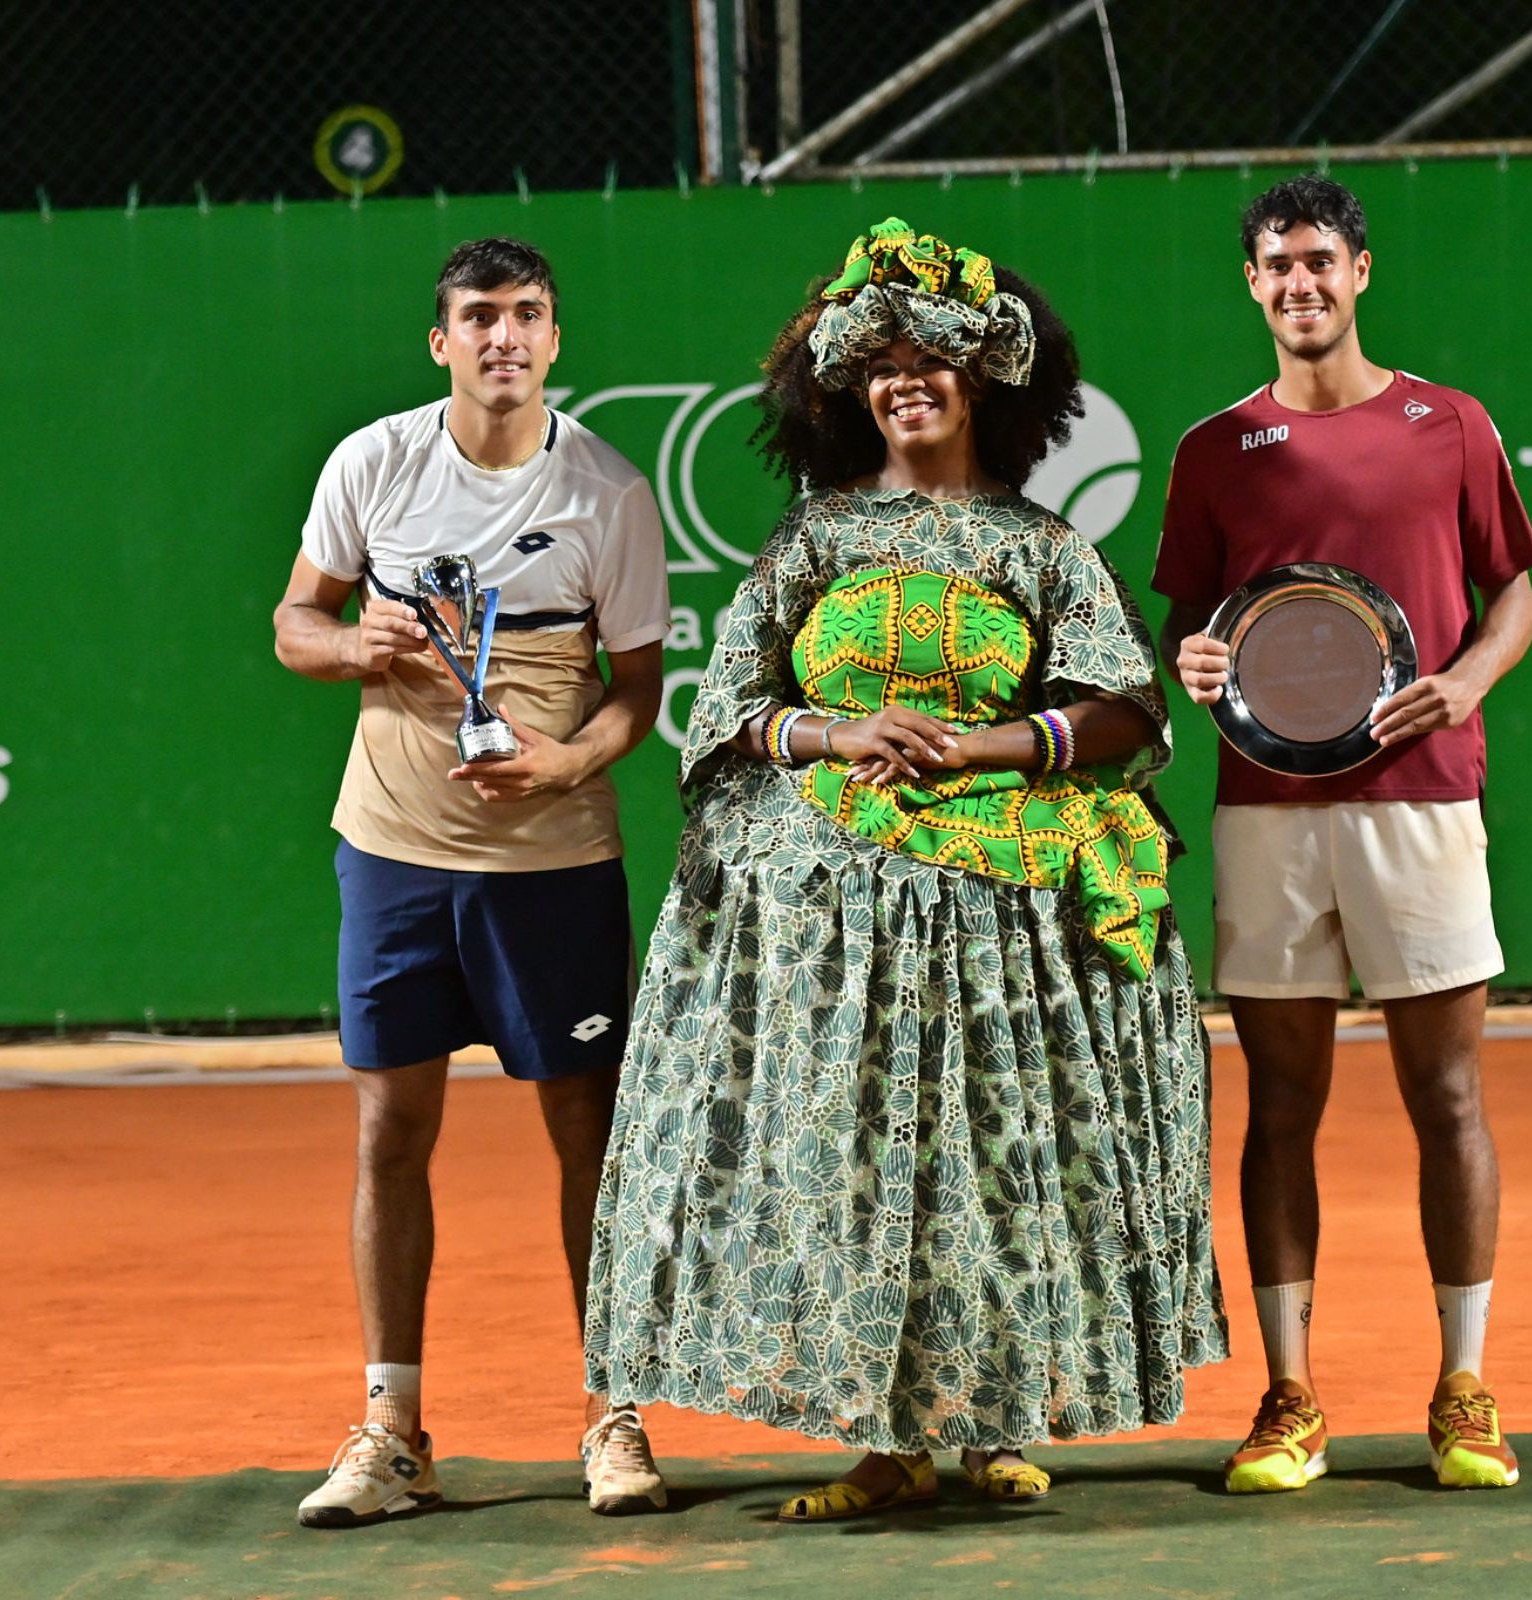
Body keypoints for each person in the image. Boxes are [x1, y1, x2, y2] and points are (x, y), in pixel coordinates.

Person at [582, 219, 1227, 1522]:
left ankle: (993, 1428)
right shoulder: (812, 540)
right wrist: (839, 733)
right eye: (878, 368)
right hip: (830, 926)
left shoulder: (1042, 546)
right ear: (849, 393)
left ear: (982, 381)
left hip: (997, 915)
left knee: (988, 1166)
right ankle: (882, 1444)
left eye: (928, 360)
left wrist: (985, 744)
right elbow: (726, 711)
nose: (904, 384)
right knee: (857, 1171)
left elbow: (1125, 709)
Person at [272, 237, 673, 1525]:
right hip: (392, 854)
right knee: (392, 1132)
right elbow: (294, 626)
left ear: (555, 341)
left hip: (553, 867)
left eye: (528, 315)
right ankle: (392, 1431)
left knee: (586, 1136)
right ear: (441, 342)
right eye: (481, 316)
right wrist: (352, 643)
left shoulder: (610, 493)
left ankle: (613, 1413)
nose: (506, 336)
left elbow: (639, 692)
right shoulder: (373, 463)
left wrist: (566, 763)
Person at [1155, 177, 1532, 1494]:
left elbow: (1514, 592)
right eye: (1277, 265)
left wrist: (1470, 680)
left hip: (1422, 801)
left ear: (1360, 271)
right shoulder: (1216, 448)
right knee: (1281, 1106)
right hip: (1268, 816)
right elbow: (1189, 621)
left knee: (1448, 1096)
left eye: (1320, 260)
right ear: (1252, 284)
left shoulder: (1450, 424)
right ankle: (1291, 1396)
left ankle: (1465, 1388)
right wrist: (1194, 660)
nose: (1299, 283)